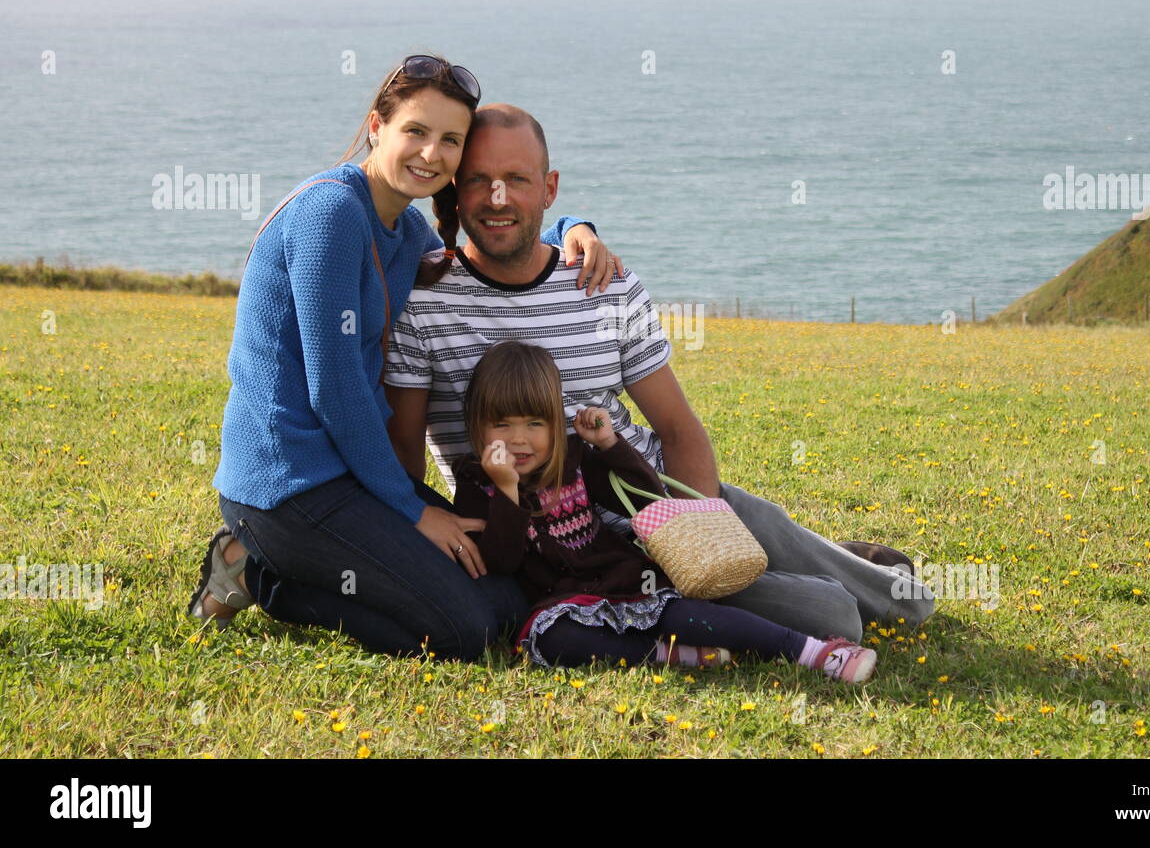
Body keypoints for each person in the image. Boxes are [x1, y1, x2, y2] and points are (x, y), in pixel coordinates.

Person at [385, 102, 936, 643]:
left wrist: (697, 533)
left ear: (550, 190)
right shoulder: (425, 301)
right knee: (835, 615)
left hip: (664, 501)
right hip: (563, 549)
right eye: (478, 180)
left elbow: (676, 429)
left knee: (904, 607)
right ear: (454, 188)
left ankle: (859, 566)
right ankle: (830, 569)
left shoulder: (604, 284)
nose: (497, 198)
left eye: (517, 179)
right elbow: (405, 460)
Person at [187, 55, 623, 659]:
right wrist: (412, 511)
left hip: (355, 474)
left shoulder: (406, 230)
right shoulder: (330, 216)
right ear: (376, 127)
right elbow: (335, 393)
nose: (431, 154)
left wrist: (576, 226)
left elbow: (495, 242)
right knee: (461, 632)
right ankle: (256, 575)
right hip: (288, 488)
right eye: (415, 131)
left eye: (450, 140)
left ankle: (308, 567)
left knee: (508, 596)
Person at [451, 340, 878, 682]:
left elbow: (646, 495)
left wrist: (610, 445)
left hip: (633, 584)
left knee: (701, 617)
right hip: (565, 606)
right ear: (479, 425)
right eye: (502, 424)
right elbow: (501, 562)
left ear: (554, 423)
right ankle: (669, 655)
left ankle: (816, 652)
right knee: (554, 641)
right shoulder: (476, 484)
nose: (519, 440)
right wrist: (506, 492)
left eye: (534, 424)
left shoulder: (575, 462)